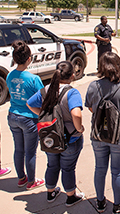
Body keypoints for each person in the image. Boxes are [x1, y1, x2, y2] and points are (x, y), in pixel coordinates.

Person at [85, 52, 120, 214]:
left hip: (98, 134)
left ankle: (100, 202)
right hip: (119, 136)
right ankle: (118, 205)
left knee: (100, 168)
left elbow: (90, 107)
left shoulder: (93, 86)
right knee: (118, 171)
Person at [27, 61, 85, 207]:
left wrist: (43, 114)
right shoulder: (71, 92)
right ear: (72, 75)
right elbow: (76, 114)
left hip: (50, 137)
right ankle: (71, 196)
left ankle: (50, 191)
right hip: (69, 138)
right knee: (68, 168)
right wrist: (79, 128)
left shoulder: (46, 89)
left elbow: (29, 103)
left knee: (52, 165)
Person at [6, 40, 45, 190]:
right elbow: (43, 98)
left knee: (18, 149)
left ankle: (21, 178)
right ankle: (31, 181)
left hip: (13, 115)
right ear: (29, 59)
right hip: (29, 118)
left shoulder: (10, 76)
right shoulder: (34, 79)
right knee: (30, 152)